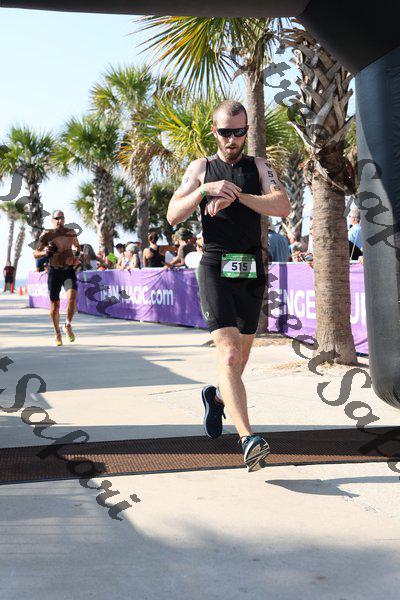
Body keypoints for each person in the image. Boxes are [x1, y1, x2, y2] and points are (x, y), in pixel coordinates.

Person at [167, 99, 290, 471]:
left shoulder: (260, 167)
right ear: (214, 131)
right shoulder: (201, 167)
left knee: (239, 361)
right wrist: (206, 190)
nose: (232, 139)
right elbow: (173, 214)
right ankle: (249, 439)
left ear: (246, 131)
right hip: (215, 267)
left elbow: (282, 205)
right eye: (225, 132)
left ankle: (217, 399)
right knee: (231, 355)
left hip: (250, 268)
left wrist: (238, 195)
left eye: (239, 132)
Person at [33, 210, 80, 346]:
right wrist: (45, 252)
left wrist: (76, 256)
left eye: (62, 218)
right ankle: (57, 333)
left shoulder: (71, 232)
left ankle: (67, 325)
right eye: (57, 218)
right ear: (52, 220)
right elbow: (35, 253)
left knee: (72, 298)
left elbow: (77, 247)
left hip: (68, 270)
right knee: (55, 305)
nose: (60, 220)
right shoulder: (47, 234)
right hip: (54, 272)